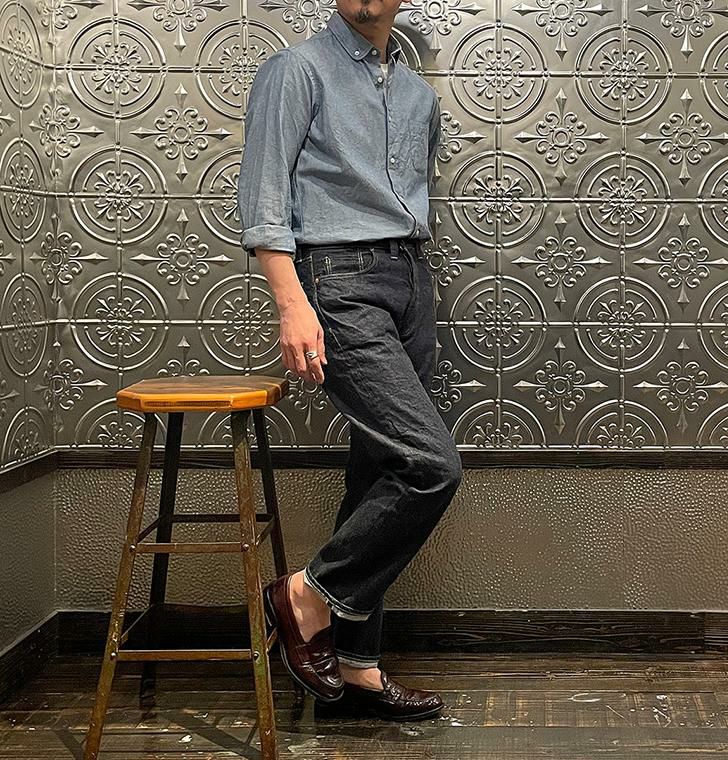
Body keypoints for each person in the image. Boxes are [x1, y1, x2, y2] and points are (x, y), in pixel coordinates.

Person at [237, 0, 463, 722]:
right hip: (336, 279)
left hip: (410, 279)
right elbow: (264, 197)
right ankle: (304, 594)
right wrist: (291, 302)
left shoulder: (419, 95)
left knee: (379, 473)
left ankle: (358, 666)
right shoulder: (296, 70)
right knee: (431, 466)